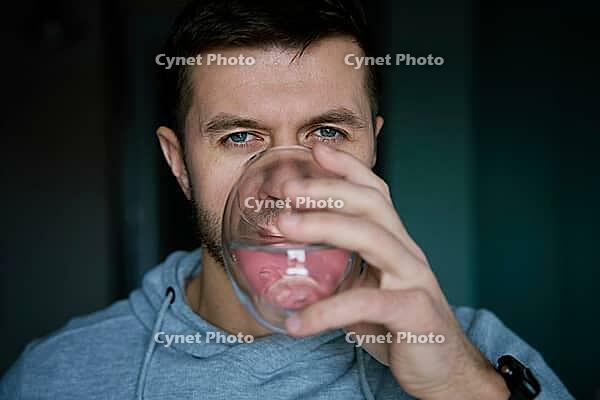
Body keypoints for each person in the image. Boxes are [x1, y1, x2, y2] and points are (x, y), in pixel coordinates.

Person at [0, 0, 573, 399]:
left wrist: (461, 387)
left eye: (327, 133)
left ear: (371, 147)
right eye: (240, 137)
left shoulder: (478, 352)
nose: (284, 187)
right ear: (178, 163)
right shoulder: (57, 374)